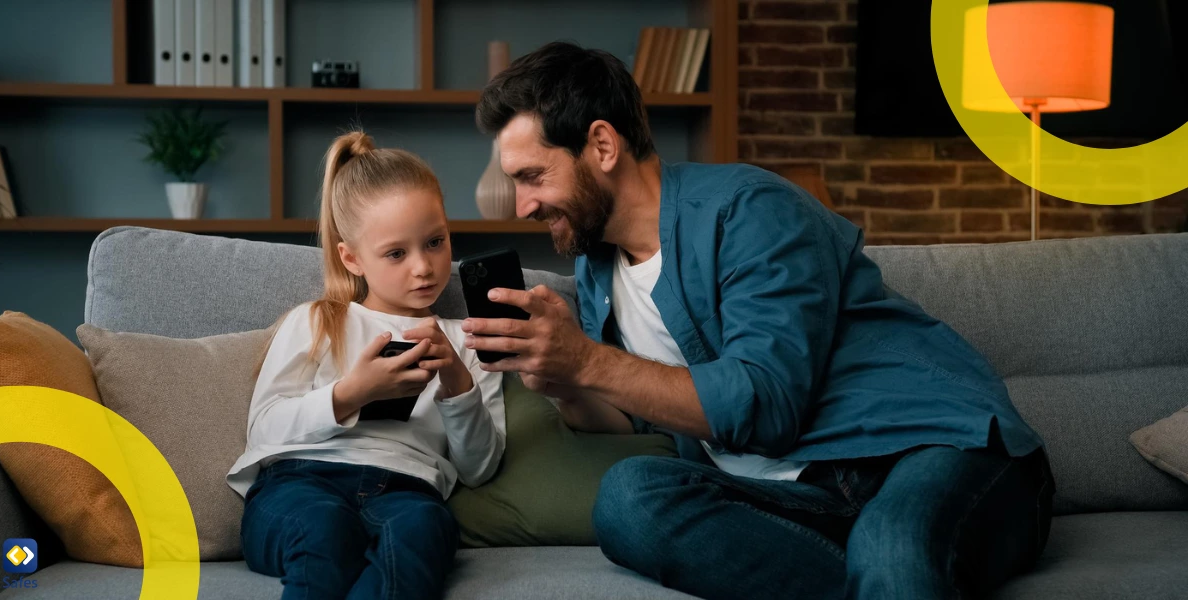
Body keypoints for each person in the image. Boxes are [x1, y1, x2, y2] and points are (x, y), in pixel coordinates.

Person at [463, 41, 1054, 599]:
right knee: (630, 497)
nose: (523, 206)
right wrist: (568, 383)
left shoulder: (749, 209)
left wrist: (587, 359)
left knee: (891, 547)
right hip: (805, 500)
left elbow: (764, 404)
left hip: (929, 449)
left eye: (533, 177)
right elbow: (642, 418)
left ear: (602, 146)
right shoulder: (598, 268)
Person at [226, 131, 505, 600]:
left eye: (435, 242)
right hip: (299, 484)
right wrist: (351, 393)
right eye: (397, 253)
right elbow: (264, 431)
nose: (424, 267)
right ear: (351, 258)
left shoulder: (470, 342)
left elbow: (479, 468)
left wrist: (457, 382)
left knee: (424, 529)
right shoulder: (320, 320)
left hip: (407, 491)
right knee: (325, 530)